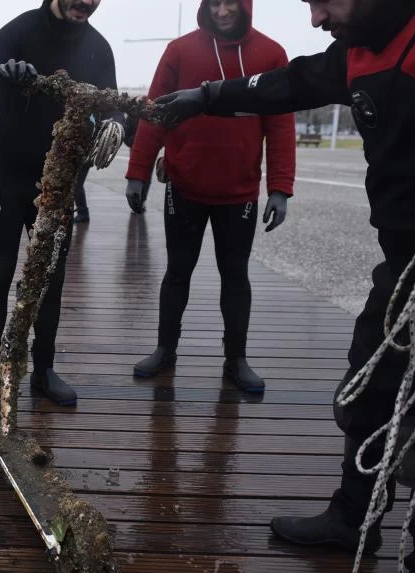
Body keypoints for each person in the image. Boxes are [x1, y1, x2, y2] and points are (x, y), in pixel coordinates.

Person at [154, 0, 415, 573]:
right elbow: (284, 85)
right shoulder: (356, 53)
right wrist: (206, 97)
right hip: (407, 264)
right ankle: (350, 518)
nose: (316, 18)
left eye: (323, 2)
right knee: (362, 392)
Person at [0, 0, 125, 410]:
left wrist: (119, 122)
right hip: (6, 169)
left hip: (58, 177)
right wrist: (0, 74)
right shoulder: (22, 29)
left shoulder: (98, 49)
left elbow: (114, 104)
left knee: (51, 275)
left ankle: (45, 370)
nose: (85, 2)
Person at [126, 0, 296, 393]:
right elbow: (153, 113)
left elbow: (281, 123)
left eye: (231, 4)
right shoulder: (181, 50)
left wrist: (280, 188)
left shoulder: (271, 54)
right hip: (185, 186)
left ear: (246, 6)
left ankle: (236, 360)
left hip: (239, 192)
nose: (222, 12)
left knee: (236, 277)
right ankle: (165, 350)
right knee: (176, 273)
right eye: (215, 3)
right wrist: (138, 174)